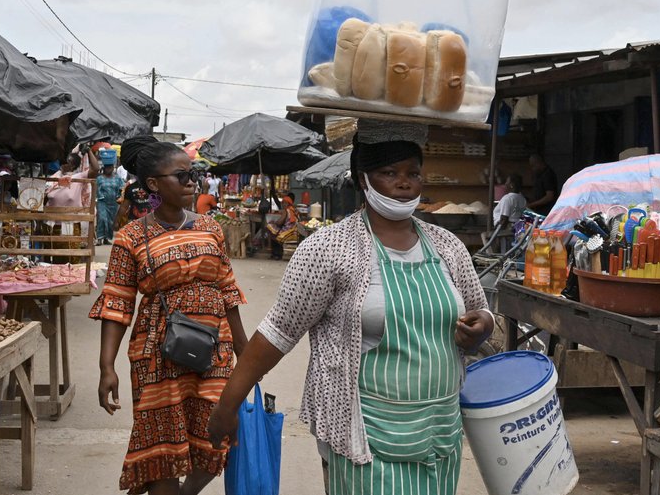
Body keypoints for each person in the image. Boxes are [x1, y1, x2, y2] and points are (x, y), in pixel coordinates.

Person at [207, 120, 494, 495]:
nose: (404, 182)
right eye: (389, 172)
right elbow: (278, 332)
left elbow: (480, 309)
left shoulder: (447, 246)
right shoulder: (328, 249)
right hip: (365, 436)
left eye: (413, 173)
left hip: (439, 435)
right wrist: (228, 404)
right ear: (362, 178)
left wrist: (482, 325)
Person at [90, 135, 248, 495]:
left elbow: (228, 290)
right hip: (157, 355)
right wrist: (106, 367)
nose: (192, 182)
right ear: (153, 184)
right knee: (163, 448)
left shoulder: (211, 228)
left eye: (193, 174)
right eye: (182, 176)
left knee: (216, 440)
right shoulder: (131, 237)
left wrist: (245, 351)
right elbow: (116, 304)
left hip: (215, 349)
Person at [96, 158, 124, 246]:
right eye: (107, 167)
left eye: (110, 167)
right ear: (104, 168)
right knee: (102, 219)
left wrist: (119, 195)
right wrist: (100, 196)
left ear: (113, 168)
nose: (109, 169)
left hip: (113, 203)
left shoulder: (118, 178)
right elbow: (96, 189)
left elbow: (122, 188)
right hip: (102, 201)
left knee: (110, 221)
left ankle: (106, 238)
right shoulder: (99, 178)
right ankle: (99, 238)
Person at [265, 193, 298, 260]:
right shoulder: (293, 210)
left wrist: (274, 222)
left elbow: (279, 223)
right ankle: (276, 253)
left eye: (284, 203)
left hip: (287, 231)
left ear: (287, 203)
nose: (282, 204)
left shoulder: (286, 211)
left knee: (270, 228)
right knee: (274, 232)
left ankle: (276, 254)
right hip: (293, 231)